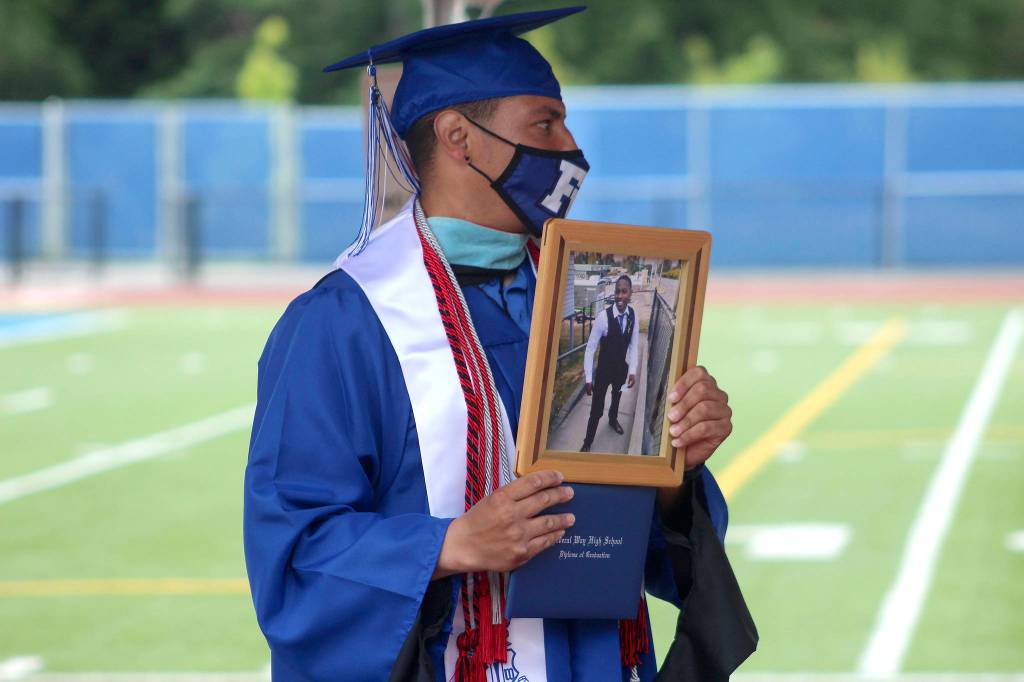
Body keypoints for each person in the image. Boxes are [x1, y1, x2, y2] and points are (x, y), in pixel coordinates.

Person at [243, 7, 755, 682]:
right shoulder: (344, 322)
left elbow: (648, 541)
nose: (570, 146)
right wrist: (449, 543)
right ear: (460, 137)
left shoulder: (588, 294)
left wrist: (673, 468)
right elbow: (295, 544)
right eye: (545, 123)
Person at [581, 274, 640, 452]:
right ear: (614, 293)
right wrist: (589, 378)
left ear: (630, 293)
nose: (620, 296)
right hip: (604, 371)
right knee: (597, 407)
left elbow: (634, 345)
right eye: (617, 292)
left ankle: (613, 420)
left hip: (620, 370)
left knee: (617, 397)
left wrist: (632, 370)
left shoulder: (633, 316)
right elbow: (590, 348)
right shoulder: (603, 318)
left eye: (624, 291)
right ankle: (588, 441)